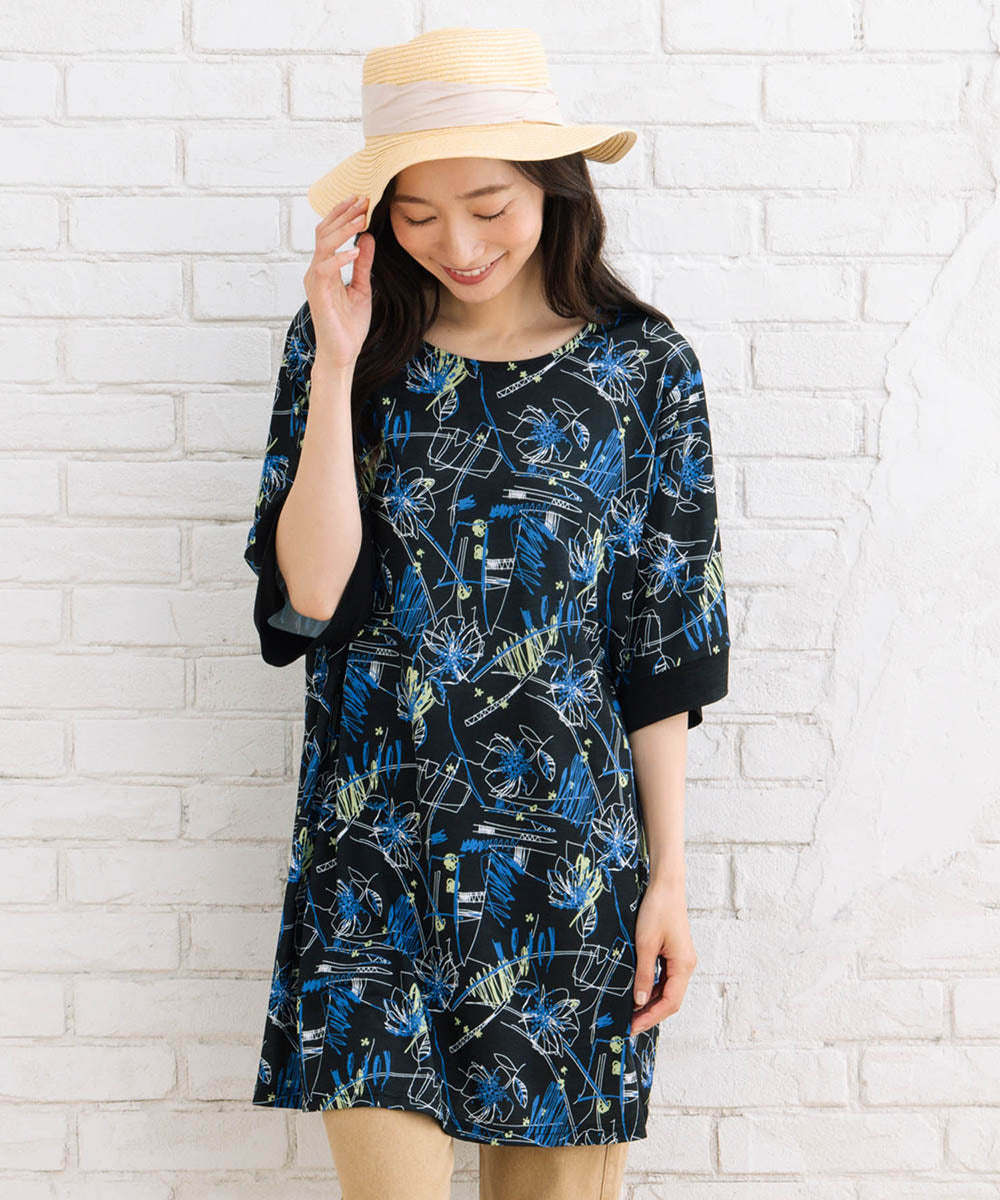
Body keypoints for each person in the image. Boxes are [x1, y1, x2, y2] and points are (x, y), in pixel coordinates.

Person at [243, 25, 731, 1200]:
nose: (458, 245)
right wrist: (337, 363)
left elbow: (661, 644)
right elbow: (310, 597)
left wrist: (666, 880)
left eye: (488, 205)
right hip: (373, 855)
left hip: (568, 867)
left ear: (553, 189)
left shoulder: (643, 367)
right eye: (418, 215)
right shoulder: (346, 349)